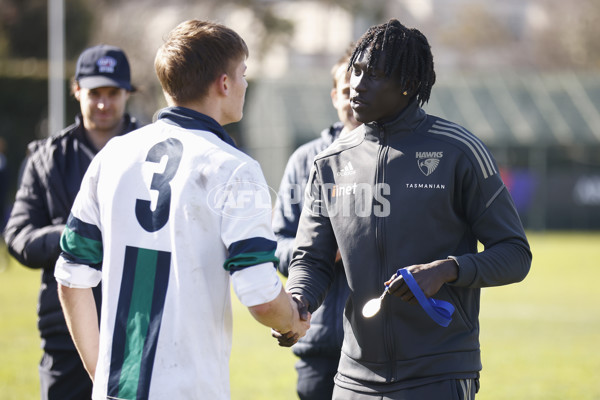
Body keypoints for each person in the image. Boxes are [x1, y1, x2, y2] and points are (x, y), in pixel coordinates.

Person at [53, 20, 310, 400]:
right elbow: (259, 294)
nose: (245, 83)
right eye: (243, 73)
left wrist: (101, 374)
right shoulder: (235, 168)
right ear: (224, 83)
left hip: (116, 389)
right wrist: (293, 321)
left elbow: (71, 277)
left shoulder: (113, 154)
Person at [278, 19, 532, 399]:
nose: (356, 85)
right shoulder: (329, 162)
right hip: (353, 378)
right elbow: (310, 258)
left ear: (408, 85)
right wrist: (299, 300)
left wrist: (446, 270)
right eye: (356, 71)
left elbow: (515, 254)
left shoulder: (459, 151)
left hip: (439, 373)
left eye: (373, 74)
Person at [3, 44, 139, 400]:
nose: (104, 103)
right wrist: (79, 236)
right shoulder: (46, 158)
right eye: (95, 93)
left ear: (128, 92)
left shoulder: (156, 154)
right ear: (76, 89)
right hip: (66, 333)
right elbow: (18, 236)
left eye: (113, 93)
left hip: (140, 325)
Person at [271, 44, 359, 400]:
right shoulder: (306, 160)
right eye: (349, 91)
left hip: (384, 347)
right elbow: (276, 244)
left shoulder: (397, 159)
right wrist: (322, 250)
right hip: (319, 344)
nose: (356, 98)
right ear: (335, 95)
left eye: (364, 90)